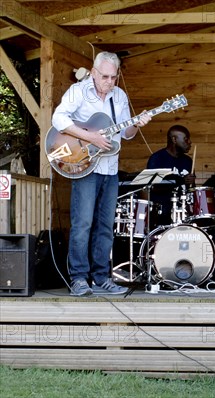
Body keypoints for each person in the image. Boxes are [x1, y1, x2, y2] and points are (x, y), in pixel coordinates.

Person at [52, 51, 152, 296]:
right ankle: (78, 278)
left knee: (106, 225)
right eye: (105, 76)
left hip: (111, 168)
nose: (109, 81)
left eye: (114, 77)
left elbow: (125, 135)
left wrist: (136, 125)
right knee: (83, 223)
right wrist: (91, 137)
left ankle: (102, 277)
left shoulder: (119, 96)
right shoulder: (78, 92)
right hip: (84, 164)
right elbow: (58, 118)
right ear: (94, 73)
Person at [146, 125, 196, 225]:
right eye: (186, 139)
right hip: (161, 214)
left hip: (184, 212)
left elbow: (191, 189)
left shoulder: (188, 161)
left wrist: (191, 182)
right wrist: (181, 180)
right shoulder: (157, 158)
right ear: (174, 139)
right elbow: (152, 187)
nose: (189, 142)